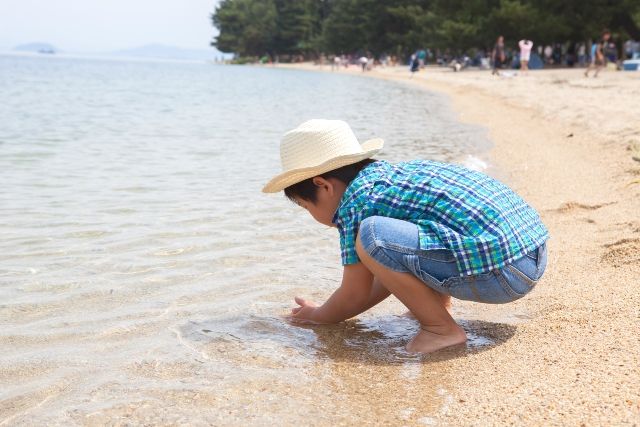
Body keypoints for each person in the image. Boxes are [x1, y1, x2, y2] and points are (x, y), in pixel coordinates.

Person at [263, 119, 549, 354]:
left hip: (504, 274)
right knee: (398, 240)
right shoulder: (389, 178)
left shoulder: (355, 203)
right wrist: (327, 311)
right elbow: (388, 271)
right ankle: (436, 307)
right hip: (531, 251)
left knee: (372, 236)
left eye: (304, 206)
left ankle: (440, 329)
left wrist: (318, 316)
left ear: (323, 186)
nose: (309, 214)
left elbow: (355, 293)